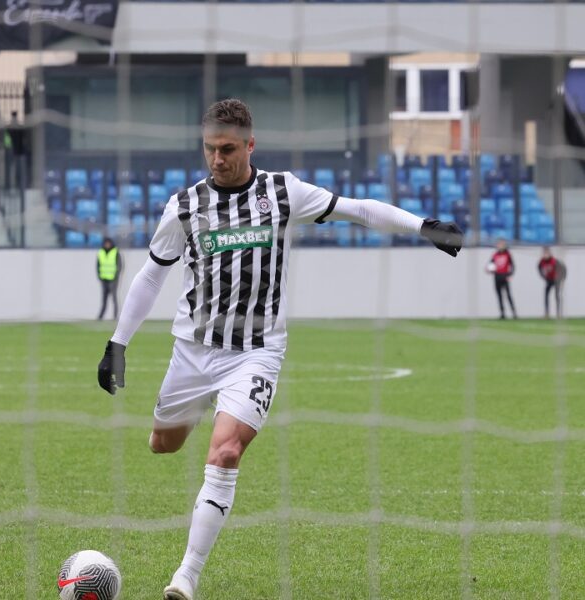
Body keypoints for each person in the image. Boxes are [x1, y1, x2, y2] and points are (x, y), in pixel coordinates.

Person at [95, 99, 462, 600]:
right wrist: (117, 343)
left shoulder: (283, 193)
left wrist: (423, 226)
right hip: (193, 352)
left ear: (250, 145)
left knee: (225, 452)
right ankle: (202, 407)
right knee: (164, 443)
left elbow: (357, 209)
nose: (218, 159)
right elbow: (151, 275)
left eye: (228, 149)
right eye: (210, 149)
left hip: (257, 353)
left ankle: (186, 576)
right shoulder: (184, 207)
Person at [487, 239, 517, 319]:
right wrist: (489, 269)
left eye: (502, 244)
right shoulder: (495, 255)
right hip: (497, 277)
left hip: (505, 276)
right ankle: (502, 314)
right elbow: (490, 265)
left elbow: (512, 266)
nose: (500, 246)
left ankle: (514, 313)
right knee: (499, 296)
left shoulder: (508, 254)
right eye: (499, 244)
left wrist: (510, 275)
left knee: (508, 295)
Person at [97, 237, 124, 320]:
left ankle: (115, 316)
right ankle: (100, 316)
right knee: (104, 299)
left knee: (114, 298)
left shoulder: (115, 252)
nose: (107, 245)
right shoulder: (101, 252)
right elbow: (98, 266)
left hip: (113, 279)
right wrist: (99, 276)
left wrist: (116, 275)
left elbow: (120, 265)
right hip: (104, 279)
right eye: (106, 243)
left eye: (108, 243)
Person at [538, 246, 565, 319]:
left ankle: (558, 313)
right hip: (549, 280)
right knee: (546, 295)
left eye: (547, 253)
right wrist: (544, 276)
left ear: (550, 253)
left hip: (556, 280)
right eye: (544, 253)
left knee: (557, 296)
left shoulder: (554, 261)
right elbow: (539, 269)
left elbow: (562, 270)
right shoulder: (541, 261)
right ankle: (547, 313)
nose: (545, 255)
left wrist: (561, 279)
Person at [7, 111, 28, 191]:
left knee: (17, 171)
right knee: (14, 170)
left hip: (17, 152)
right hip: (14, 152)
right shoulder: (13, 128)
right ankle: (13, 186)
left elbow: (24, 140)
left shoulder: (16, 128)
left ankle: (17, 186)